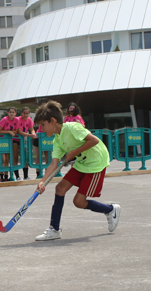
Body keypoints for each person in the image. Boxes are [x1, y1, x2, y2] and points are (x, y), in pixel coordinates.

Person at [33, 100, 120, 241]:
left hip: (95, 163)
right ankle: (54, 229)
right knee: (60, 188)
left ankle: (110, 210)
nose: (41, 129)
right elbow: (53, 163)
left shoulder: (73, 127)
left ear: (53, 121)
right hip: (81, 162)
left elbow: (94, 141)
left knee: (79, 202)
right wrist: (42, 182)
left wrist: (73, 153)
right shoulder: (57, 140)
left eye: (43, 125)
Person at [0, 107, 20, 182]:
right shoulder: (4, 119)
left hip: (10, 141)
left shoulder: (16, 120)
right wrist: (9, 132)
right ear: (8, 113)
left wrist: (10, 131)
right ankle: (1, 176)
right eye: (10, 112)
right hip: (2, 140)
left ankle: (6, 176)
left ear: (15, 113)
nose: (11, 113)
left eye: (13, 112)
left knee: (7, 159)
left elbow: (16, 130)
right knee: (3, 160)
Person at [15, 107, 37, 180]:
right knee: (15, 157)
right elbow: (19, 131)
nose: (25, 115)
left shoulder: (29, 120)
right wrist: (30, 135)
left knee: (25, 157)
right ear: (21, 113)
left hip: (24, 140)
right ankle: (17, 176)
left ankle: (25, 176)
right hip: (16, 139)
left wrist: (33, 134)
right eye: (24, 113)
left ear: (29, 114)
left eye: (27, 113)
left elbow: (32, 129)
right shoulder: (18, 119)